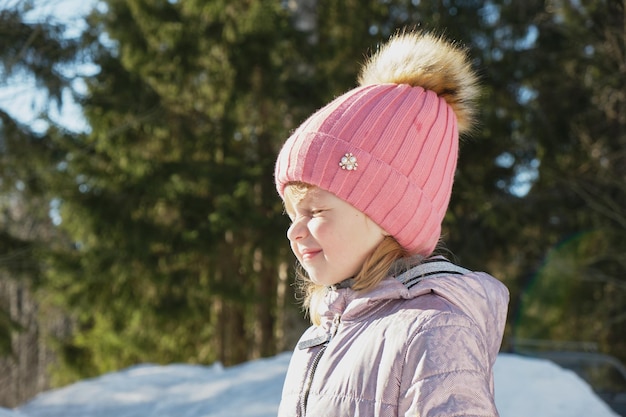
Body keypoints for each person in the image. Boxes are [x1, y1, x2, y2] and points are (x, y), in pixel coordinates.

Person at [274, 29, 510, 417]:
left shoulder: (433, 330)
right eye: (291, 214)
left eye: (314, 212)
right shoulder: (324, 332)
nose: (294, 231)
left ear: (385, 215)